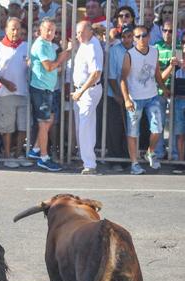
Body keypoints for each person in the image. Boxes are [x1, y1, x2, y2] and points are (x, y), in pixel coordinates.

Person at [120, 25, 171, 174]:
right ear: (134, 39)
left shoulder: (154, 51)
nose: (141, 39)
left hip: (152, 96)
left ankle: (150, 151)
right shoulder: (129, 55)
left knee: (158, 128)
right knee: (133, 132)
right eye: (137, 36)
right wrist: (127, 99)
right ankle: (134, 163)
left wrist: (163, 88)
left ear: (149, 36)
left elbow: (156, 73)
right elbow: (122, 78)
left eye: (144, 35)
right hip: (135, 98)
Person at [28, 17, 71, 171]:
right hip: (41, 89)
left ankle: (36, 149)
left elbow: (52, 67)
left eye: (52, 30)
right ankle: (43, 157)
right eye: (47, 29)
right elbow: (48, 66)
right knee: (44, 123)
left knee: (50, 119)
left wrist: (58, 63)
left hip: (47, 89)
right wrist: (63, 57)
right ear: (40, 30)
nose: (50, 32)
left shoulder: (48, 45)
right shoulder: (40, 45)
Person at [0, 17, 31, 168]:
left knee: (23, 126)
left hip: (24, 93)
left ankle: (18, 155)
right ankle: (6, 155)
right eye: (12, 28)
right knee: (7, 127)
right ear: (6, 30)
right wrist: (5, 83)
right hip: (5, 94)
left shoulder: (26, 46)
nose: (15, 32)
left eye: (18, 28)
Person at [72, 20, 103, 175]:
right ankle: (87, 160)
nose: (79, 35)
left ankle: (90, 163)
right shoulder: (85, 44)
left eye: (82, 32)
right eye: (77, 32)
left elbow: (96, 73)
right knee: (85, 126)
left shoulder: (92, 46)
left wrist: (81, 92)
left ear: (90, 31)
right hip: (83, 91)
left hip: (88, 91)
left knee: (85, 127)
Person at [106, 24, 133, 170]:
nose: (127, 39)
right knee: (115, 129)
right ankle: (115, 160)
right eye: (124, 36)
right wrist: (118, 95)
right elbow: (110, 76)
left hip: (133, 96)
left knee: (130, 129)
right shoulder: (114, 51)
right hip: (115, 94)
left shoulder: (137, 50)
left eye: (130, 36)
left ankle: (128, 159)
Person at [154, 19, 180, 160]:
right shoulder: (156, 47)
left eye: (171, 31)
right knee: (159, 122)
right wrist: (163, 88)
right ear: (161, 31)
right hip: (160, 90)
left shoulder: (179, 47)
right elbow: (156, 74)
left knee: (176, 124)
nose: (168, 33)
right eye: (165, 30)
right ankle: (158, 152)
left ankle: (175, 153)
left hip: (177, 91)